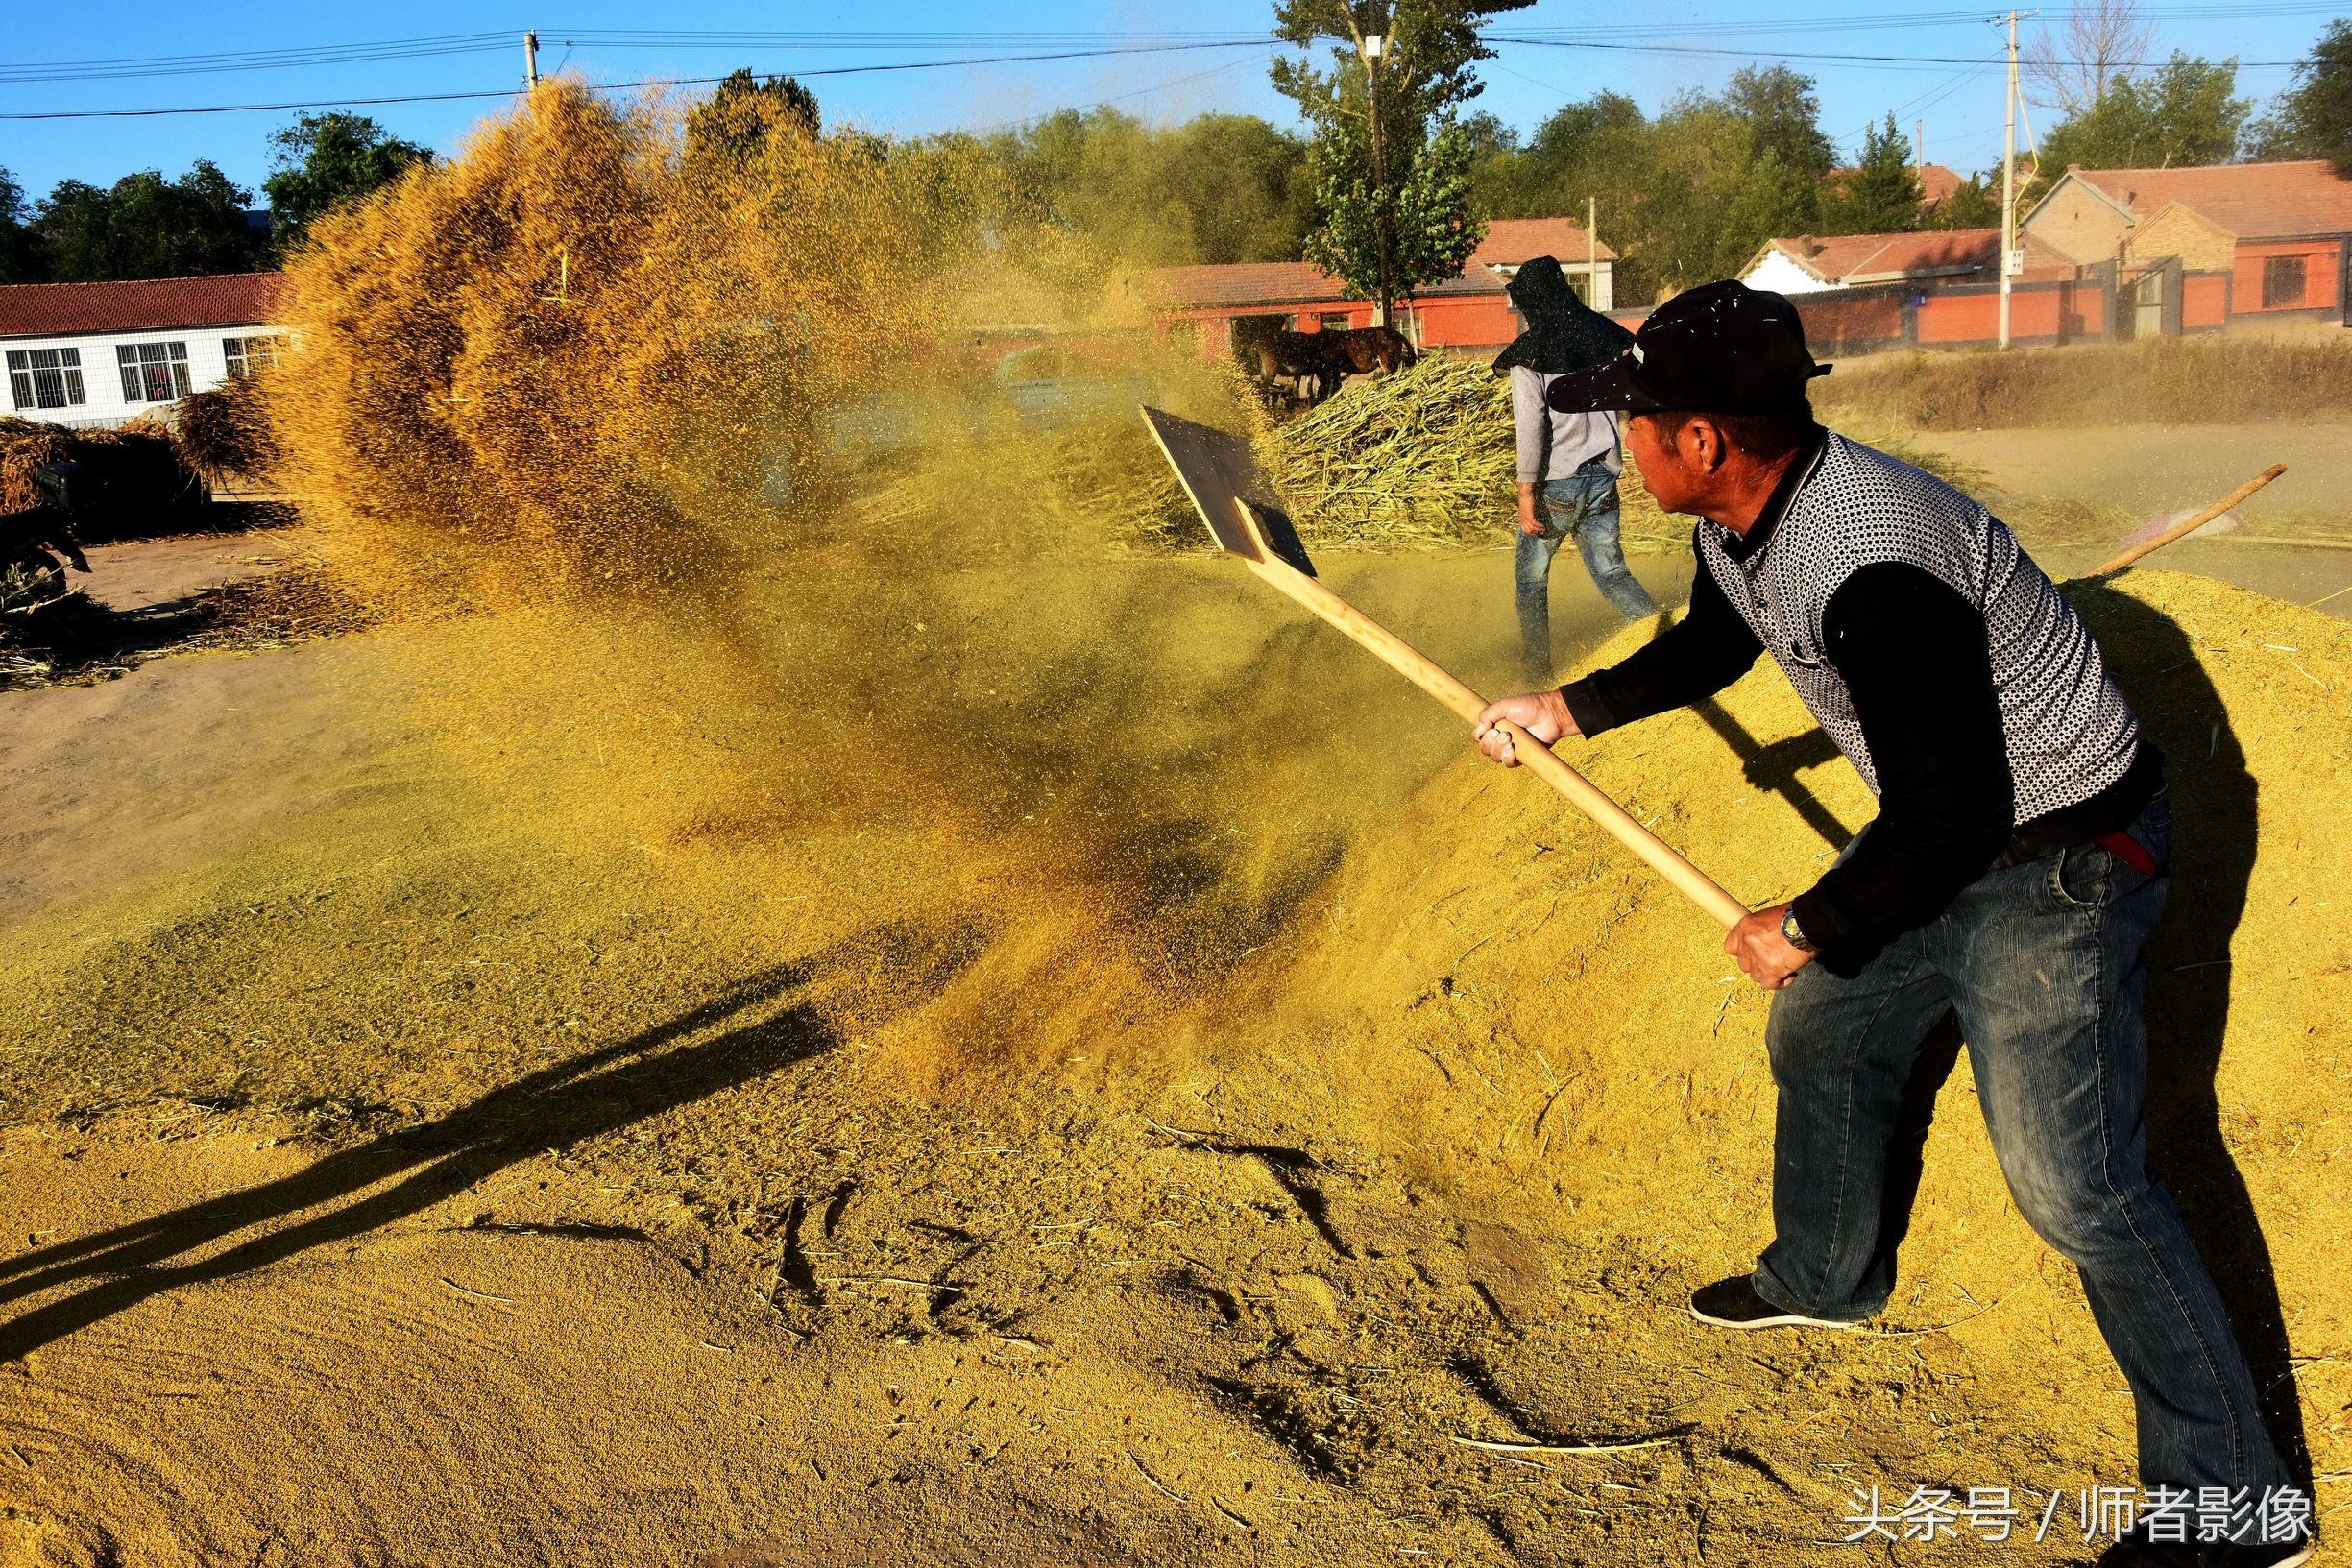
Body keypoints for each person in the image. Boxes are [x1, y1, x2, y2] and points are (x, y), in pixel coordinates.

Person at [1468, 280, 2312, 1568]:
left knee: (2074, 1184)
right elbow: (1716, 640)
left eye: (1634, 423)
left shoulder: (1873, 568)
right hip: (1954, 833)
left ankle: (2238, 1503)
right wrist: (1567, 709)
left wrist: (1807, 916)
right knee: (1826, 1027)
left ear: (1702, 441)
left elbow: (1956, 812)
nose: (1619, 445)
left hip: (2064, 855)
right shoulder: (1747, 513)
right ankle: (1824, 1275)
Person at [1493, 254, 1657, 684]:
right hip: (1604, 474)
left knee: (1531, 582)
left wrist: (1526, 494)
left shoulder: (1529, 356)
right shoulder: (1604, 338)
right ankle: (1664, 642)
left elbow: (1531, 428)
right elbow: (1634, 396)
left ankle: (1536, 675)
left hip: (1558, 484)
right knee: (1613, 573)